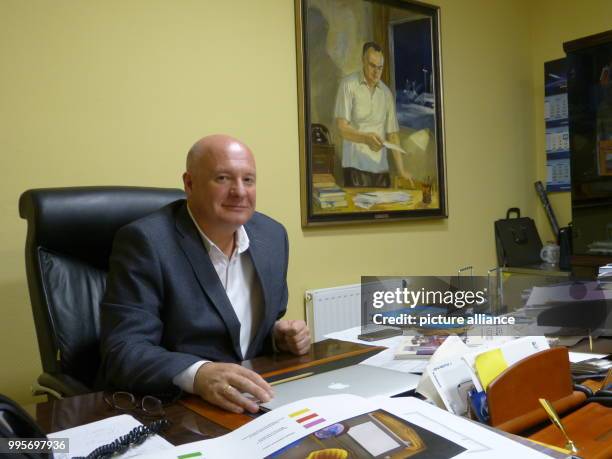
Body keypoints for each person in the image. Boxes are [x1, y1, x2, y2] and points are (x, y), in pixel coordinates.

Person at [99, 135, 310, 414]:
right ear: (189, 183)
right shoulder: (146, 242)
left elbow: (239, 330)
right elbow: (123, 350)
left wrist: (277, 337)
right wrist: (197, 374)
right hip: (177, 407)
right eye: (223, 178)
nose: (239, 191)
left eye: (248, 180)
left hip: (253, 398)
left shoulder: (272, 236)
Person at [335, 42, 413, 188]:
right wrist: (365, 138)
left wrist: (401, 170)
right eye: (372, 66)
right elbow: (342, 128)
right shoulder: (348, 85)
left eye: (380, 68)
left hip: (381, 169)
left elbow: (393, 134)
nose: (376, 72)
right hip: (355, 167)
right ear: (363, 61)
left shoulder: (386, 93)